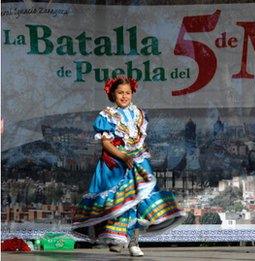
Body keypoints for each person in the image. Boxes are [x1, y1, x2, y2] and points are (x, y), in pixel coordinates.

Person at [72, 76, 185, 257]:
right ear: (112, 94)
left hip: (137, 162)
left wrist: (139, 152)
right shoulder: (107, 115)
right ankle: (116, 237)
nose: (124, 96)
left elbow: (139, 138)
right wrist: (122, 155)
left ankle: (133, 241)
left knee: (138, 200)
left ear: (132, 93)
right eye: (120, 93)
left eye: (127, 93)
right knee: (120, 203)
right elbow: (106, 143)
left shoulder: (139, 113)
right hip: (116, 163)